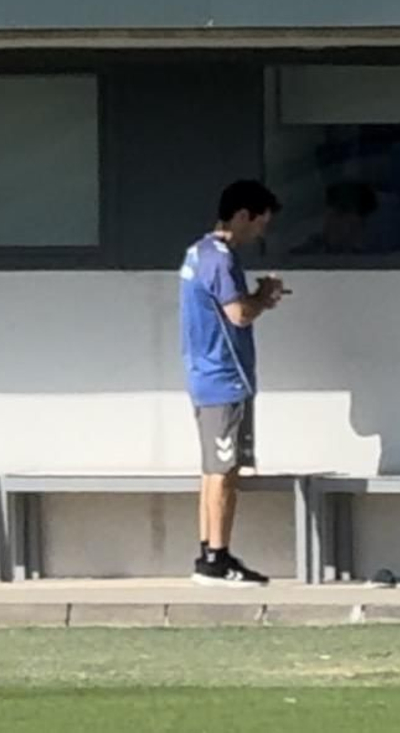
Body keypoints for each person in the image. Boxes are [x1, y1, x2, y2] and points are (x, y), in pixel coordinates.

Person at [179, 180, 287, 587]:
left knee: (213, 470)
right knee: (224, 471)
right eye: (260, 223)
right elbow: (239, 315)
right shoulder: (221, 259)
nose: (260, 232)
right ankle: (216, 560)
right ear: (243, 215)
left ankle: (211, 552)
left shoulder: (198, 251)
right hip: (224, 379)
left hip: (205, 376)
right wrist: (265, 296)